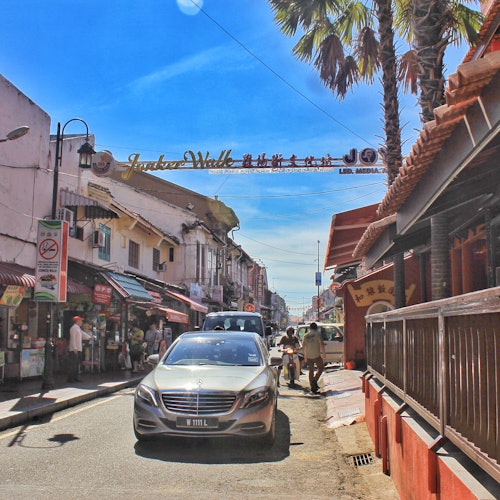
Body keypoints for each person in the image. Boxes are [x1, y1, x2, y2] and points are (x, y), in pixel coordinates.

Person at [302, 322, 326, 394]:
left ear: (310, 328)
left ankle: (312, 386)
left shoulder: (306, 335)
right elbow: (321, 344)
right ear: (316, 328)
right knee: (321, 368)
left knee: (311, 371)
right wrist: (324, 353)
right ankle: (315, 381)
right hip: (316, 355)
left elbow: (303, 346)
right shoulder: (317, 334)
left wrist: (305, 356)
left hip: (309, 356)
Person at [68, 316, 92, 383]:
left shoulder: (78, 328)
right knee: (73, 364)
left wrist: (90, 337)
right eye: (80, 321)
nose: (81, 322)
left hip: (79, 348)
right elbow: (73, 338)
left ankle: (76, 377)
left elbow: (83, 335)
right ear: (77, 321)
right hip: (74, 349)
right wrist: (74, 347)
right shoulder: (73, 328)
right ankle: (71, 378)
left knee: (77, 364)